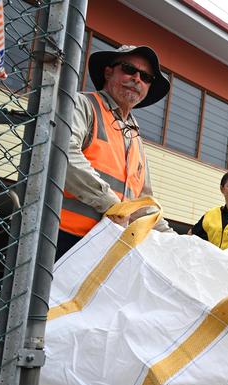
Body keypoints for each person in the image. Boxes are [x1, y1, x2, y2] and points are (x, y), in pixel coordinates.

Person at [57, 45, 173, 260]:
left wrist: (175, 241)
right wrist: (113, 205)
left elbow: (142, 202)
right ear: (108, 72)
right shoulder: (84, 105)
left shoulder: (135, 136)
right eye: (129, 69)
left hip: (106, 248)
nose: (137, 79)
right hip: (62, 239)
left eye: (146, 77)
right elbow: (63, 153)